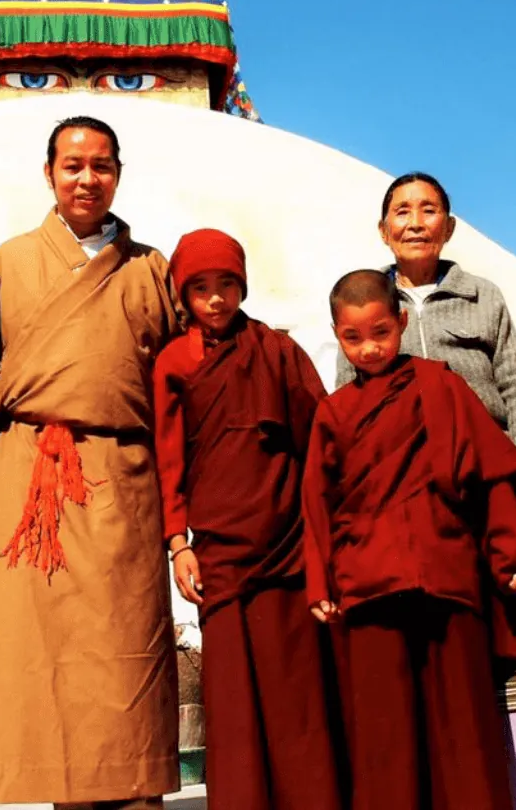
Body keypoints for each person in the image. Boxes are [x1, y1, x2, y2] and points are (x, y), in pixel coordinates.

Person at [335, 172, 516, 810]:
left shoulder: (480, 295)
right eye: (401, 211)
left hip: (488, 491)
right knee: (440, 661)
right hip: (410, 515)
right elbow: (350, 410)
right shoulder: (366, 303)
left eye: (428, 209)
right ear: (383, 228)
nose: (414, 221)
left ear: (450, 224)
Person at [0, 116, 181, 809]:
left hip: (124, 478)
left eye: (100, 166)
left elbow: (179, 384)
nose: (86, 178)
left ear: (118, 174)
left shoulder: (152, 268)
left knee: (128, 657)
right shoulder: (6, 263)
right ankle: (68, 798)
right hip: (36, 478)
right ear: (49, 173)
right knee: (49, 659)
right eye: (72, 165)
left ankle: (139, 795)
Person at [305, 269, 516, 810]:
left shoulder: (442, 386)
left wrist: (512, 559)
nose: (369, 349)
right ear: (337, 336)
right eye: (354, 338)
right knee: (383, 739)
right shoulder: (335, 412)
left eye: (381, 333)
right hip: (366, 585)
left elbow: (488, 479)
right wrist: (320, 578)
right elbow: (317, 501)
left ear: (402, 323)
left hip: (446, 576)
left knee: (462, 729)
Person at [151, 229, 345, 810]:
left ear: (242, 286)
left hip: (286, 538)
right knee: (232, 697)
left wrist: (323, 532)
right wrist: (177, 542)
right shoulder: (173, 361)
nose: (215, 299)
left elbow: (319, 443)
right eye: (201, 288)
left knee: (297, 689)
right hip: (219, 548)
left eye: (226, 285)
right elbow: (169, 457)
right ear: (183, 294)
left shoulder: (277, 351)